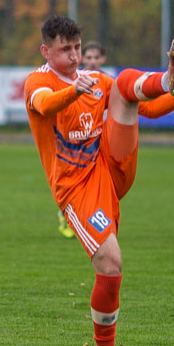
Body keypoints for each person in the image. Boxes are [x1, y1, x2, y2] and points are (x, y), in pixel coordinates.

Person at [24, 15, 174, 346]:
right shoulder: (38, 81)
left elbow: (149, 109)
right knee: (110, 264)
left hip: (112, 167)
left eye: (78, 48)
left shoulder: (94, 80)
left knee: (124, 83)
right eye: (65, 50)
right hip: (77, 188)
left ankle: (169, 76)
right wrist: (74, 91)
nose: (75, 56)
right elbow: (45, 105)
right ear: (46, 51)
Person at [56, 41, 110, 240]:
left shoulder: (107, 82)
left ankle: (94, 220)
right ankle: (66, 214)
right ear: (81, 59)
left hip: (99, 141)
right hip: (76, 142)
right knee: (72, 182)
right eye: (88, 57)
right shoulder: (74, 82)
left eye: (96, 57)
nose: (92, 61)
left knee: (98, 184)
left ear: (103, 59)